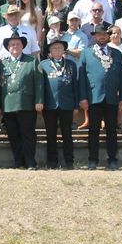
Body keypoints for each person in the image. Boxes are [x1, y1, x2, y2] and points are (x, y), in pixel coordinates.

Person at [78, 25, 122, 170]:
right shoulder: (87, 53)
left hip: (112, 98)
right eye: (98, 35)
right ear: (94, 36)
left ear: (108, 36)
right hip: (94, 97)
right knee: (93, 130)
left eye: (104, 34)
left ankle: (112, 159)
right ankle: (93, 159)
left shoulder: (116, 53)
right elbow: (82, 77)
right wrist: (83, 97)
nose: (101, 37)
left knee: (111, 130)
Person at [0, 34, 44, 170]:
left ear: (23, 46)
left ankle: (30, 161)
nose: (15, 46)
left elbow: (39, 83)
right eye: (12, 44)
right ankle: (18, 161)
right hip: (8, 104)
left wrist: (39, 100)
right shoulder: (2, 63)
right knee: (13, 134)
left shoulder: (31, 61)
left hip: (26, 103)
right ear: (8, 47)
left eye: (18, 44)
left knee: (28, 134)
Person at [41, 39, 79, 170]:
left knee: (67, 134)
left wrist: (75, 105)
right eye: (54, 48)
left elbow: (75, 85)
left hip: (67, 104)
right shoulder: (43, 65)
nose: (57, 50)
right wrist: (40, 102)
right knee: (50, 134)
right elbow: (41, 87)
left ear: (64, 51)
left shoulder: (71, 65)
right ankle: (52, 161)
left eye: (60, 48)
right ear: (50, 52)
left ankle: (69, 161)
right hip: (50, 105)